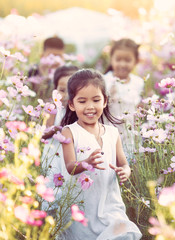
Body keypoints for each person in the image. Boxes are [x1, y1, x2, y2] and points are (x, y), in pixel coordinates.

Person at [60, 69, 142, 240]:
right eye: (82, 101)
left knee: (122, 231)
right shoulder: (69, 132)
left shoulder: (112, 133)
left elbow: (124, 164)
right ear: (72, 104)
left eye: (96, 100)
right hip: (83, 206)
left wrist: (125, 172)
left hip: (110, 203)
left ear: (105, 101)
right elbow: (69, 166)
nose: (90, 107)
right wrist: (85, 163)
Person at [40, 65, 79, 213]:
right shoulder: (53, 108)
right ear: (55, 90)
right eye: (62, 90)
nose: (66, 95)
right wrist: (56, 129)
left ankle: (66, 215)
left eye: (71, 91)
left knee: (68, 187)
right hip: (53, 154)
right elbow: (44, 132)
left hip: (69, 156)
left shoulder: (78, 111)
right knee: (52, 184)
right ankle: (49, 212)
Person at [104, 38, 144, 159]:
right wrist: (109, 95)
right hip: (110, 131)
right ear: (111, 59)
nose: (122, 64)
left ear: (136, 61)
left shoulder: (138, 82)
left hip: (130, 133)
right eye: (118, 59)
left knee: (131, 163)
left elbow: (138, 106)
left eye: (127, 60)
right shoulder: (105, 80)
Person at [27, 36, 65, 101]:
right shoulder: (34, 70)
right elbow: (36, 94)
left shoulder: (66, 72)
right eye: (51, 56)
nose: (55, 60)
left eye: (59, 56)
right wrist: (43, 73)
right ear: (42, 56)